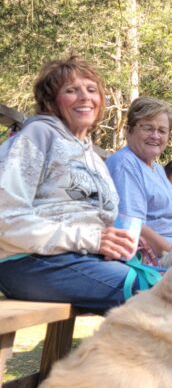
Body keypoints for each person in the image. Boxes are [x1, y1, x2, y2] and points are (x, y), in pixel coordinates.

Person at [0, 57, 138, 310]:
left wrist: (114, 244)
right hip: (30, 261)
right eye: (71, 90)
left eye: (91, 89)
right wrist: (93, 240)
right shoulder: (38, 135)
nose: (85, 97)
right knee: (167, 296)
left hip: (82, 262)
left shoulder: (96, 160)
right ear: (52, 102)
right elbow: (5, 218)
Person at [106, 96, 172, 262]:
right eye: (148, 128)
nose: (155, 136)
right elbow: (135, 227)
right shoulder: (125, 163)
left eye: (162, 131)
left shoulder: (158, 169)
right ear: (129, 130)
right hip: (156, 259)